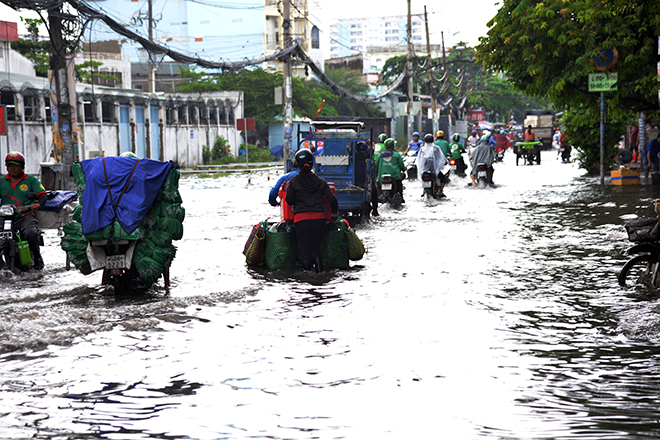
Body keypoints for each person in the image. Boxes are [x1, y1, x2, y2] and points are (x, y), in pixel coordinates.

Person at [285, 149, 338, 272]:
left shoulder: (293, 182)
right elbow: (332, 199)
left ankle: (308, 281)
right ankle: (320, 276)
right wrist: (334, 213)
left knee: (305, 250)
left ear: (297, 165)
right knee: (316, 248)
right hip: (319, 220)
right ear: (311, 164)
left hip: (301, 221)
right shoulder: (321, 181)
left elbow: (289, 201)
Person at [0, 152, 47, 270]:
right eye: (10, 165)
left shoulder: (31, 180)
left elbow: (42, 195)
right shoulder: (1, 181)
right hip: (5, 218)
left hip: (25, 216)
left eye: (16, 165)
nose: (12, 167)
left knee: (31, 233)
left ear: (22, 167)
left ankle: (37, 257)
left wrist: (38, 204)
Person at [375, 138, 406, 203]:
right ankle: (401, 197)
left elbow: (376, 166)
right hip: (395, 177)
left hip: (381, 178)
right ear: (392, 146)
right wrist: (403, 169)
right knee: (399, 187)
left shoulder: (380, 156)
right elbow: (401, 166)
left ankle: (380, 195)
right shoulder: (396, 155)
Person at [418, 133, 448, 197]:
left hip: (424, 170)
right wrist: (444, 163)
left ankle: (423, 191)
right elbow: (441, 158)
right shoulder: (436, 148)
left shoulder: (422, 149)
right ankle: (441, 191)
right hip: (435, 170)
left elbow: (419, 160)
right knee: (443, 178)